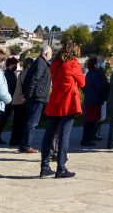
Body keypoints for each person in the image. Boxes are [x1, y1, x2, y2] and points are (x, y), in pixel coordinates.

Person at [40, 41, 85, 178]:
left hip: (55, 101)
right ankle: (61, 167)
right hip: (68, 102)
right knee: (64, 136)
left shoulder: (54, 63)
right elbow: (83, 82)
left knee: (49, 135)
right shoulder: (73, 64)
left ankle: (44, 167)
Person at [18, 45, 52, 153]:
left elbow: (30, 78)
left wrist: (27, 93)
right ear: (46, 54)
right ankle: (26, 145)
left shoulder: (38, 62)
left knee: (30, 121)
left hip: (36, 95)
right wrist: (30, 94)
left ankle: (24, 145)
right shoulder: (41, 63)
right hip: (38, 96)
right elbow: (34, 79)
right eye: (50, 54)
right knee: (32, 122)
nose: (51, 56)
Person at [80, 56, 108, 147]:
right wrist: (104, 95)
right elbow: (99, 87)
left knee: (92, 120)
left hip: (90, 99)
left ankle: (90, 136)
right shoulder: (95, 74)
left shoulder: (89, 73)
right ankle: (86, 139)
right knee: (90, 121)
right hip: (94, 100)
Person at [0, 57, 19, 144]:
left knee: (2, 119)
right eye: (16, 64)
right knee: (2, 119)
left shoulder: (7, 73)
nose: (16, 66)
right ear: (12, 64)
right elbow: (12, 87)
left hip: (7, 99)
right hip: (8, 100)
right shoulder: (9, 74)